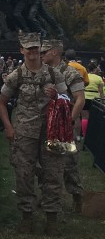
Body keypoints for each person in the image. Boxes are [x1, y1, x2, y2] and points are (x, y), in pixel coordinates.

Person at [0, 32, 69, 235]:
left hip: (51, 131)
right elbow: (2, 103)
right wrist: (9, 127)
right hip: (25, 132)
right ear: (22, 50)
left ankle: (51, 218)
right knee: (24, 175)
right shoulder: (16, 76)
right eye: (28, 48)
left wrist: (58, 96)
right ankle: (26, 217)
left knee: (53, 174)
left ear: (40, 48)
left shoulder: (54, 74)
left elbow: (67, 100)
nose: (32, 52)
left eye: (35, 47)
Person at [41, 39, 86, 214]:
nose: (41, 55)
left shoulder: (70, 73)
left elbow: (80, 99)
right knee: (44, 161)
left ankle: (76, 195)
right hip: (47, 123)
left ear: (54, 52)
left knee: (68, 163)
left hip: (65, 125)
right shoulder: (43, 72)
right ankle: (47, 197)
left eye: (44, 52)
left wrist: (68, 121)